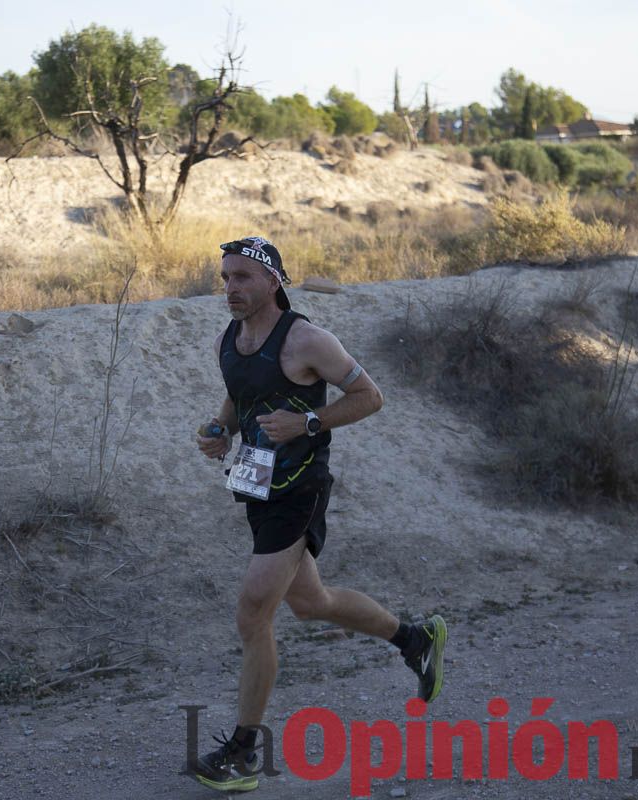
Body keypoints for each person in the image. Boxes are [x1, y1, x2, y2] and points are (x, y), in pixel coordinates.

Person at [189, 236, 448, 793]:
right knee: (312, 603)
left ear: (273, 280)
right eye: (226, 276)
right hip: (256, 482)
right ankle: (415, 639)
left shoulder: (307, 339)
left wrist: (309, 423)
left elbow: (370, 396)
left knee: (254, 613)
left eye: (243, 277)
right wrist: (219, 431)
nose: (231, 287)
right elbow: (240, 399)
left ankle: (243, 754)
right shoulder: (227, 341)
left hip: (300, 486)